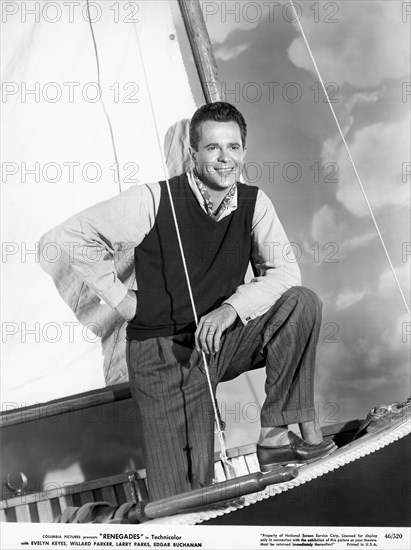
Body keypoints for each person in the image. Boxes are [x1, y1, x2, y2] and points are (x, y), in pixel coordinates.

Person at [44, 102, 335, 501]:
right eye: (213, 148)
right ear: (193, 153)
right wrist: (125, 302)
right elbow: (69, 239)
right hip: (163, 357)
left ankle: (275, 436)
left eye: (233, 147)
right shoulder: (151, 200)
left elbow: (285, 273)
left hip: (218, 342)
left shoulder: (254, 203)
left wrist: (231, 308)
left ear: (244, 152)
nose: (225, 158)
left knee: (300, 303)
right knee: (186, 494)